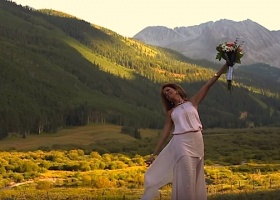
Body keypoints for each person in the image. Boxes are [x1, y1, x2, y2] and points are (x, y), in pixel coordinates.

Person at [140, 62, 229, 200]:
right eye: (165, 94)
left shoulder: (192, 102)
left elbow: (209, 83)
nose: (167, 94)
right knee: (186, 175)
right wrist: (154, 154)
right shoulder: (171, 112)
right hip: (181, 142)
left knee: (196, 176)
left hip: (197, 141)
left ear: (176, 90)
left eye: (169, 91)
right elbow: (165, 134)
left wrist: (226, 65)